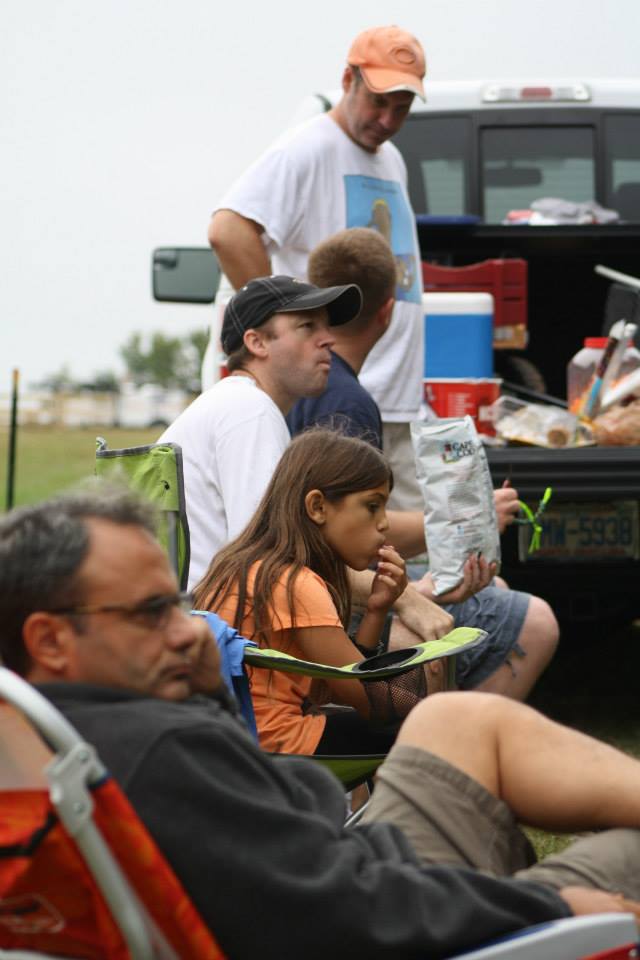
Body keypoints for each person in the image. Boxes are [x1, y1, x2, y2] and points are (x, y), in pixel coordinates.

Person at [3, 486, 640, 960]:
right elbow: (341, 910)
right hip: (397, 914)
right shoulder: (157, 752)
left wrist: (203, 695)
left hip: (355, 877)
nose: (188, 631)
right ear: (50, 640)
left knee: (456, 719)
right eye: (151, 612)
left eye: (178, 604)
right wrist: (552, 904)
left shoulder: (43, 743)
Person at [286, 227, 559, 699]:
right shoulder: (348, 403)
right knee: (536, 622)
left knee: (492, 587)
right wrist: (465, 525)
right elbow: (353, 534)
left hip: (314, 590)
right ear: (389, 310)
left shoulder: (310, 387)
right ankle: (449, 737)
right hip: (334, 597)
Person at [209, 25, 428, 512]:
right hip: (338, 398)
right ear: (348, 79)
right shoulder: (307, 148)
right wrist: (284, 329)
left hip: (391, 395)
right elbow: (229, 229)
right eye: (378, 101)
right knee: (357, 538)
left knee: (394, 543)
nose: (388, 119)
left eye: (402, 107)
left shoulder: (391, 159)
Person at [196, 429, 416, 755]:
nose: (384, 524)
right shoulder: (294, 585)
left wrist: (376, 611)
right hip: (278, 744)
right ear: (317, 507)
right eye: (372, 506)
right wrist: (436, 707)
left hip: (234, 740)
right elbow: (375, 704)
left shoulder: (243, 565)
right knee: (431, 726)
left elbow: (334, 690)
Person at [158, 274, 361, 590]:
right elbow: (269, 560)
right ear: (257, 343)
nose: (328, 339)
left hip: (192, 608)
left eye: (326, 326)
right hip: (210, 615)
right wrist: (404, 597)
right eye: (308, 326)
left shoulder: (234, 403)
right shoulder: (250, 409)